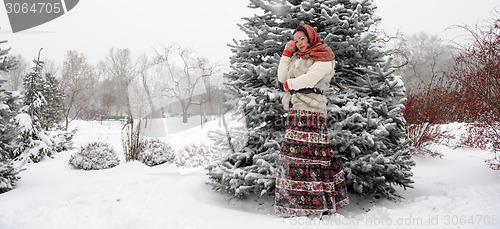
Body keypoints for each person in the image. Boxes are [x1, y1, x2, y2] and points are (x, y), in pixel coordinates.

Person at [275, 23, 349, 217]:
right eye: (295, 40)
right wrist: (286, 53)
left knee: (314, 156)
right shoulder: (297, 58)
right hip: (295, 109)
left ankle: (317, 206)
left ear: (310, 37)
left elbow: (309, 79)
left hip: (313, 110)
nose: (299, 43)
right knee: (292, 155)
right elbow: (281, 76)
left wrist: (289, 84)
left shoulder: (325, 55)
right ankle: (296, 205)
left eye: (302, 39)